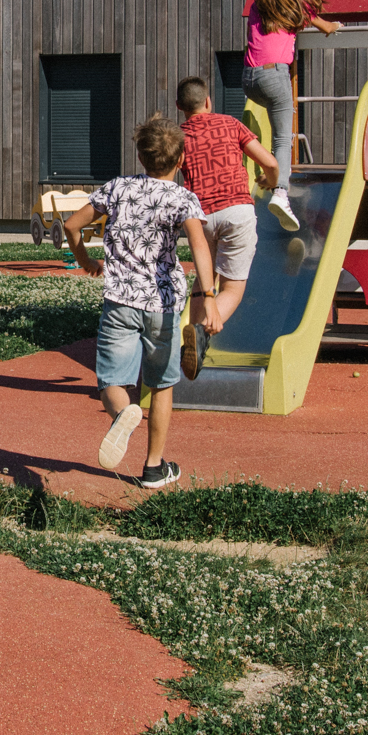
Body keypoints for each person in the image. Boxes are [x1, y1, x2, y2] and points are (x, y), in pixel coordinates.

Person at [63, 115, 222, 490]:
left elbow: (71, 226)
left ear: (140, 156)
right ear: (181, 160)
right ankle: (153, 468)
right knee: (162, 385)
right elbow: (200, 247)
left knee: (112, 382)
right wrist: (209, 297)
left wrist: (87, 261)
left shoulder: (118, 188)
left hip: (120, 301)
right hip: (163, 305)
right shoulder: (183, 198)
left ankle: (121, 415)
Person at [173, 75, 283, 377]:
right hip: (237, 210)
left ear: (180, 106)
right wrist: (269, 182)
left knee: (204, 278)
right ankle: (203, 333)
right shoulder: (231, 124)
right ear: (208, 101)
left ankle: (191, 339)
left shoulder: (177, 136)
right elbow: (271, 164)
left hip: (200, 216)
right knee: (233, 287)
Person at [242, 0, 341, 231]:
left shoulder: (256, 7)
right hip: (274, 74)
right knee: (283, 138)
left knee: (269, 131)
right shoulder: (296, 6)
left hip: (249, 79)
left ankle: (268, 175)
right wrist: (333, 26)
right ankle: (281, 192)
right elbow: (325, 26)